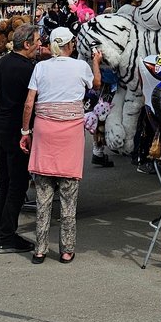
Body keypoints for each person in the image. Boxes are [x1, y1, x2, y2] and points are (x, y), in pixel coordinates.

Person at [21, 27, 102, 264]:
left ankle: (40, 249)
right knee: (68, 196)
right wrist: (96, 62)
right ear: (70, 44)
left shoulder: (40, 67)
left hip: (45, 131)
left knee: (43, 196)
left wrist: (26, 131)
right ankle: (66, 250)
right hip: (70, 134)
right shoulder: (81, 67)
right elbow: (96, 85)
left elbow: (29, 104)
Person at [0, 22, 40, 253]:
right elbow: (32, 102)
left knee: (4, 182)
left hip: (0, 125)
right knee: (17, 185)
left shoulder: (3, 62)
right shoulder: (27, 69)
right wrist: (26, 131)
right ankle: (7, 236)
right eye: (37, 41)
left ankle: (2, 233)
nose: (40, 45)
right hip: (15, 130)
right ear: (27, 44)